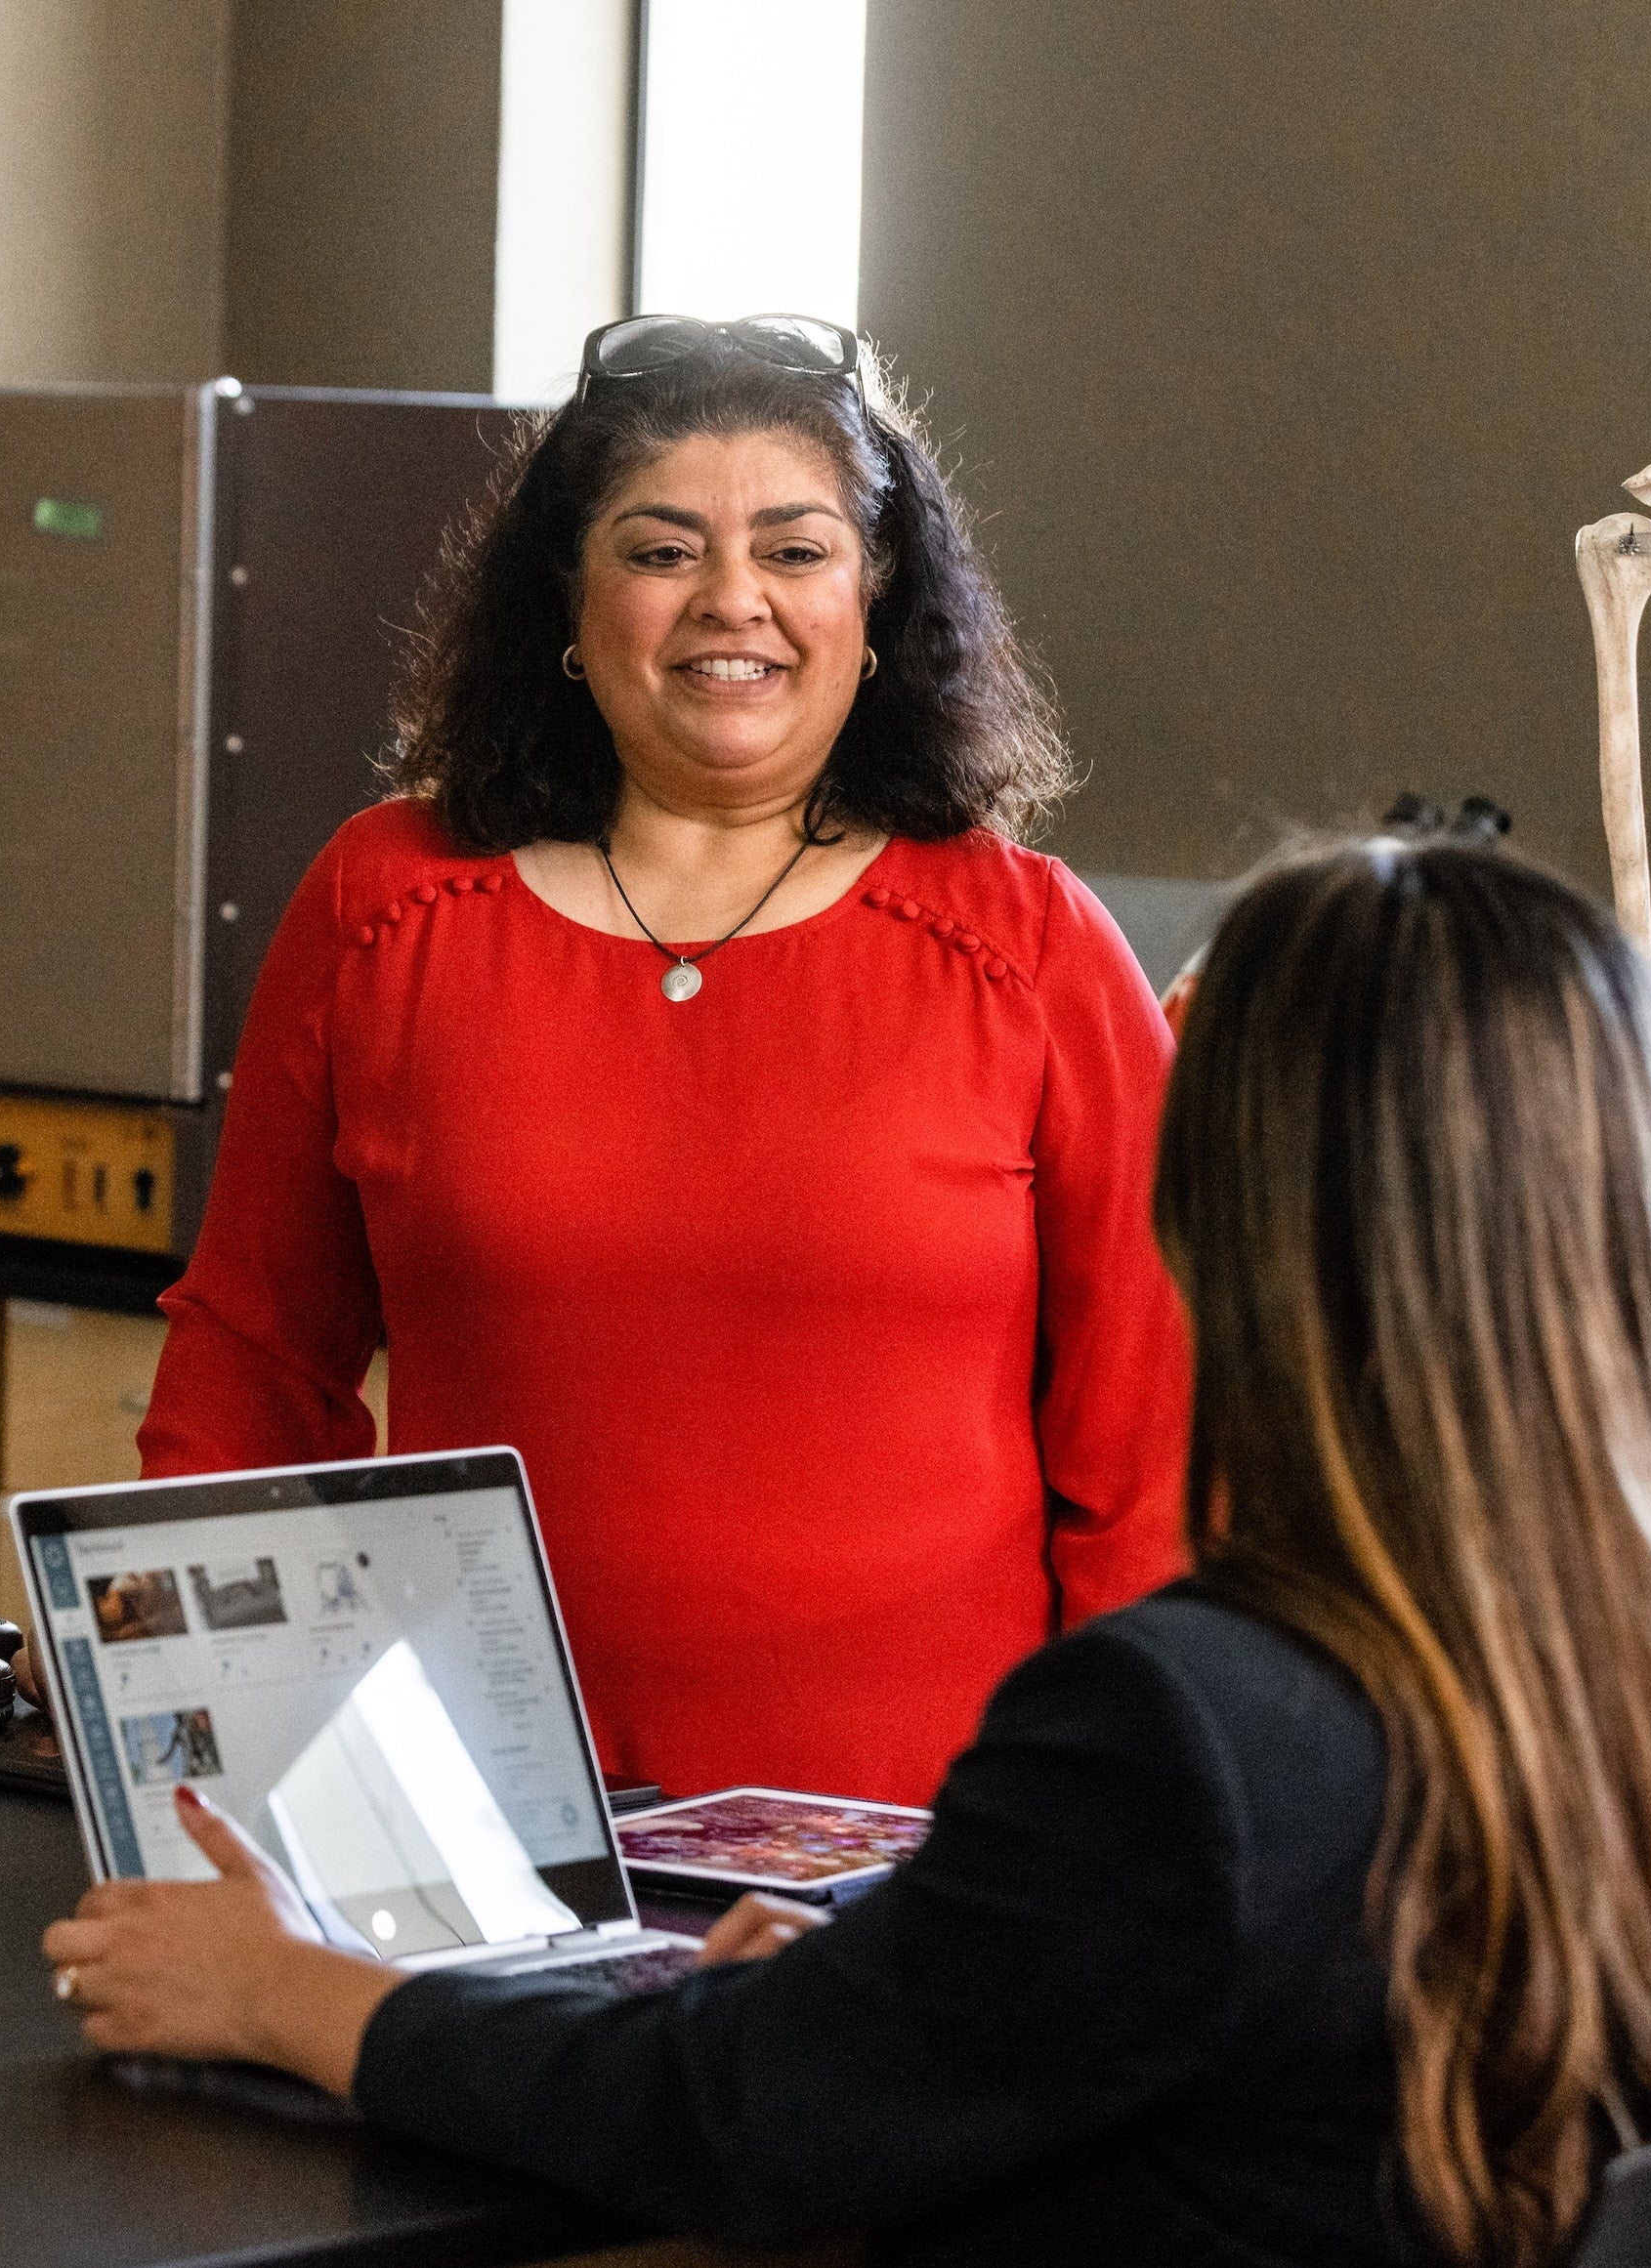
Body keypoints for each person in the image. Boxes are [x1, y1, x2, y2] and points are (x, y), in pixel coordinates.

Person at [44, 831, 1651, 2267]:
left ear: (1230, 1199)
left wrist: (293, 1993)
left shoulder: (1189, 1723)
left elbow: (733, 2126)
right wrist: (895, 1995)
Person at [125, 315, 1191, 1808]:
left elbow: (1152, 1460)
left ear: (876, 606)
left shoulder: (1031, 949)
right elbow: (251, 1370)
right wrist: (184, 1716)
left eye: (797, 549)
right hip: (478, 1835)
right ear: (569, 605)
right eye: (663, 548)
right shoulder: (385, 908)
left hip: (922, 1867)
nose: (732, 599)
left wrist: (1117, 1829)